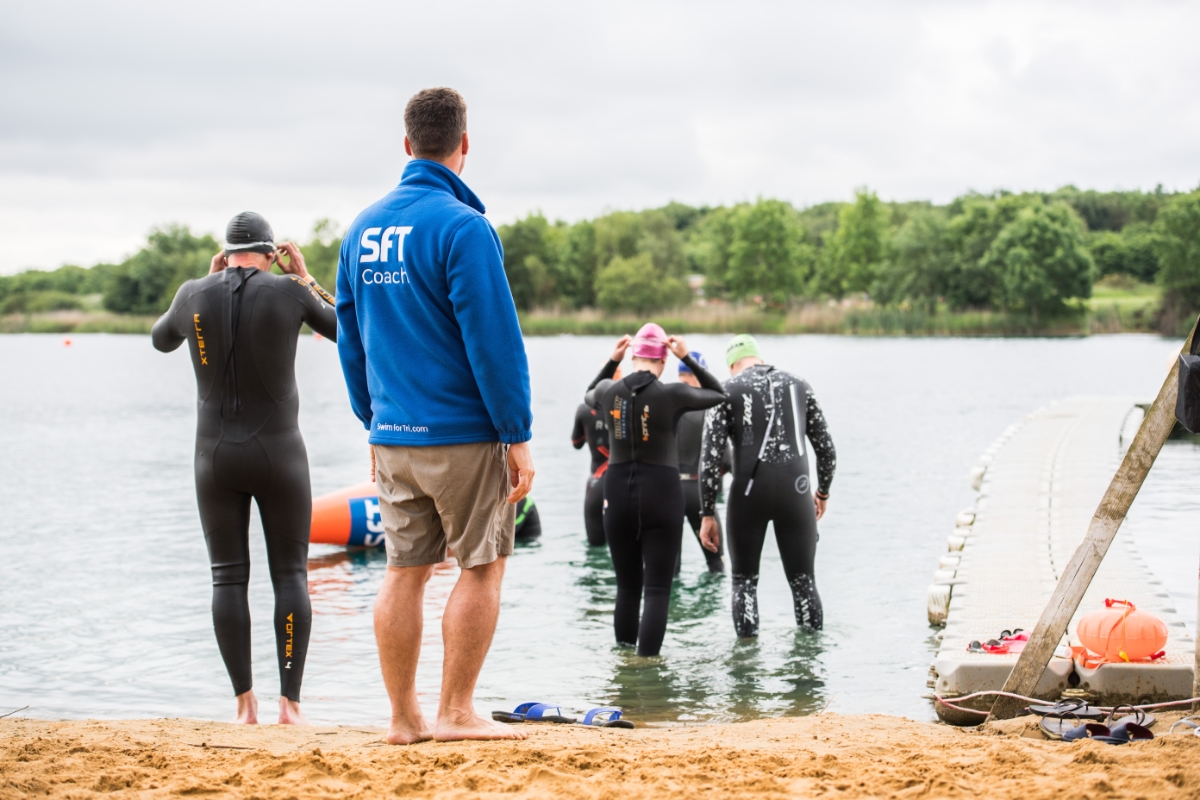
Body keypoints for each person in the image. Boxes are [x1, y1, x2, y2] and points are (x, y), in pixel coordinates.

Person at [335, 87, 534, 745]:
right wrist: (516, 433)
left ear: (407, 144)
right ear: (464, 145)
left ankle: (402, 720)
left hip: (392, 435)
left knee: (404, 571)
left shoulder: (361, 230)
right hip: (464, 435)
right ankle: (455, 711)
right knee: (482, 567)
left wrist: (373, 418)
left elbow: (350, 335)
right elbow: (494, 341)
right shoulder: (463, 227)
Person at [151, 211, 337, 725]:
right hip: (280, 457)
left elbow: (160, 339)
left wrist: (205, 285)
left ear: (225, 252)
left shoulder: (193, 293)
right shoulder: (289, 291)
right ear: (272, 251)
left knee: (227, 580)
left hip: (214, 461)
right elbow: (352, 331)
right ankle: (290, 706)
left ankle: (243, 706)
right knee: (290, 576)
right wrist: (305, 277)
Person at [586, 324, 727, 656]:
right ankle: (647, 670)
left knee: (626, 588)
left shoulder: (609, 390)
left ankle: (623, 663)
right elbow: (718, 393)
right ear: (662, 359)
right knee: (658, 590)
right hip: (662, 494)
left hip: (617, 493)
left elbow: (588, 393)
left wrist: (611, 360)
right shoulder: (672, 393)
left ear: (634, 355)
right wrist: (687, 358)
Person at [699, 335, 836, 638]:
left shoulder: (724, 390)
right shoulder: (799, 384)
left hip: (748, 494)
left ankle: (746, 672)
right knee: (804, 582)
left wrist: (707, 513)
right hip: (797, 493)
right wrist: (822, 492)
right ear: (758, 357)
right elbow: (827, 451)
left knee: (744, 582)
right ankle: (809, 669)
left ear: (733, 364)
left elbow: (708, 461)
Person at [676, 351, 728, 574]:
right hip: (699, 493)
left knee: (670, 571)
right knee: (716, 564)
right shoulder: (709, 409)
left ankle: (673, 610)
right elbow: (727, 459)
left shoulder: (667, 405)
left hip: (668, 491)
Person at [571, 364, 622, 547]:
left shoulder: (584, 410)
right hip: (625, 483)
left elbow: (576, 443)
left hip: (596, 484)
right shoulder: (631, 406)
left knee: (595, 548)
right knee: (627, 552)